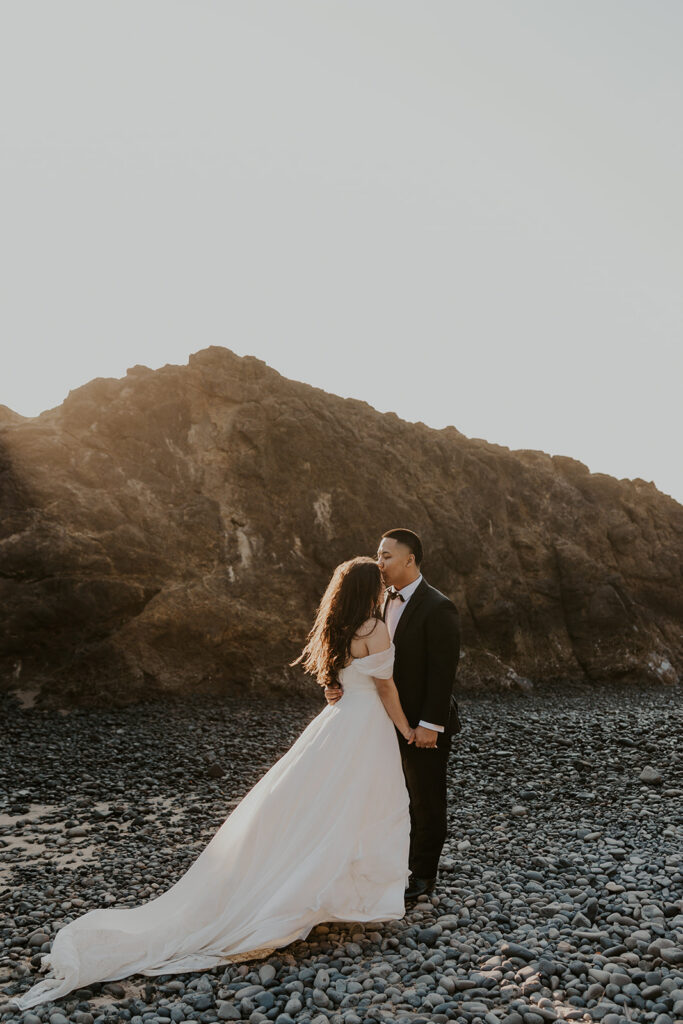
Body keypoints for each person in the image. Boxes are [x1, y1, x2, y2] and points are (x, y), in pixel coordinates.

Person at [10, 556, 415, 1011]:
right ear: (368, 589)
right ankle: (338, 896)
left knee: (323, 806)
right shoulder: (372, 628)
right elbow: (386, 689)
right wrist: (407, 730)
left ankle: (332, 892)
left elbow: (337, 682)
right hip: (364, 725)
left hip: (336, 721)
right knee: (362, 804)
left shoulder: (338, 628)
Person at [325, 528, 461, 902]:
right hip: (377, 720)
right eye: (378, 555)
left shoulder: (438, 607)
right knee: (387, 796)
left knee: (425, 799)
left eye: (386, 556)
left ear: (409, 559)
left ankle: (423, 876)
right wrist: (336, 686)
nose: (379, 562)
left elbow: (443, 673)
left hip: (421, 723)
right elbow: (357, 659)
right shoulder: (375, 603)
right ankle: (389, 867)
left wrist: (431, 725)